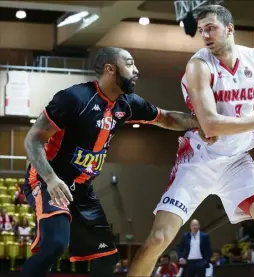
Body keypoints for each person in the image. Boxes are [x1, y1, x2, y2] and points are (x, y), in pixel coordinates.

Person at [127, 5, 254, 277]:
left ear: (229, 28)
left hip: (237, 161)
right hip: (198, 161)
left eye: (211, 28)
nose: (206, 35)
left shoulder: (252, 56)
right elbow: (210, 124)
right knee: (158, 239)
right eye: (201, 31)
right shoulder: (198, 66)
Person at [20, 47, 214, 277]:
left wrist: (203, 123)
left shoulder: (127, 103)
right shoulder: (74, 98)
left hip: (82, 189)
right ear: (110, 69)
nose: (136, 70)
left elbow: (167, 118)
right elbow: (33, 139)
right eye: (130, 64)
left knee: (107, 258)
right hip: (49, 180)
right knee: (55, 244)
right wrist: (51, 179)